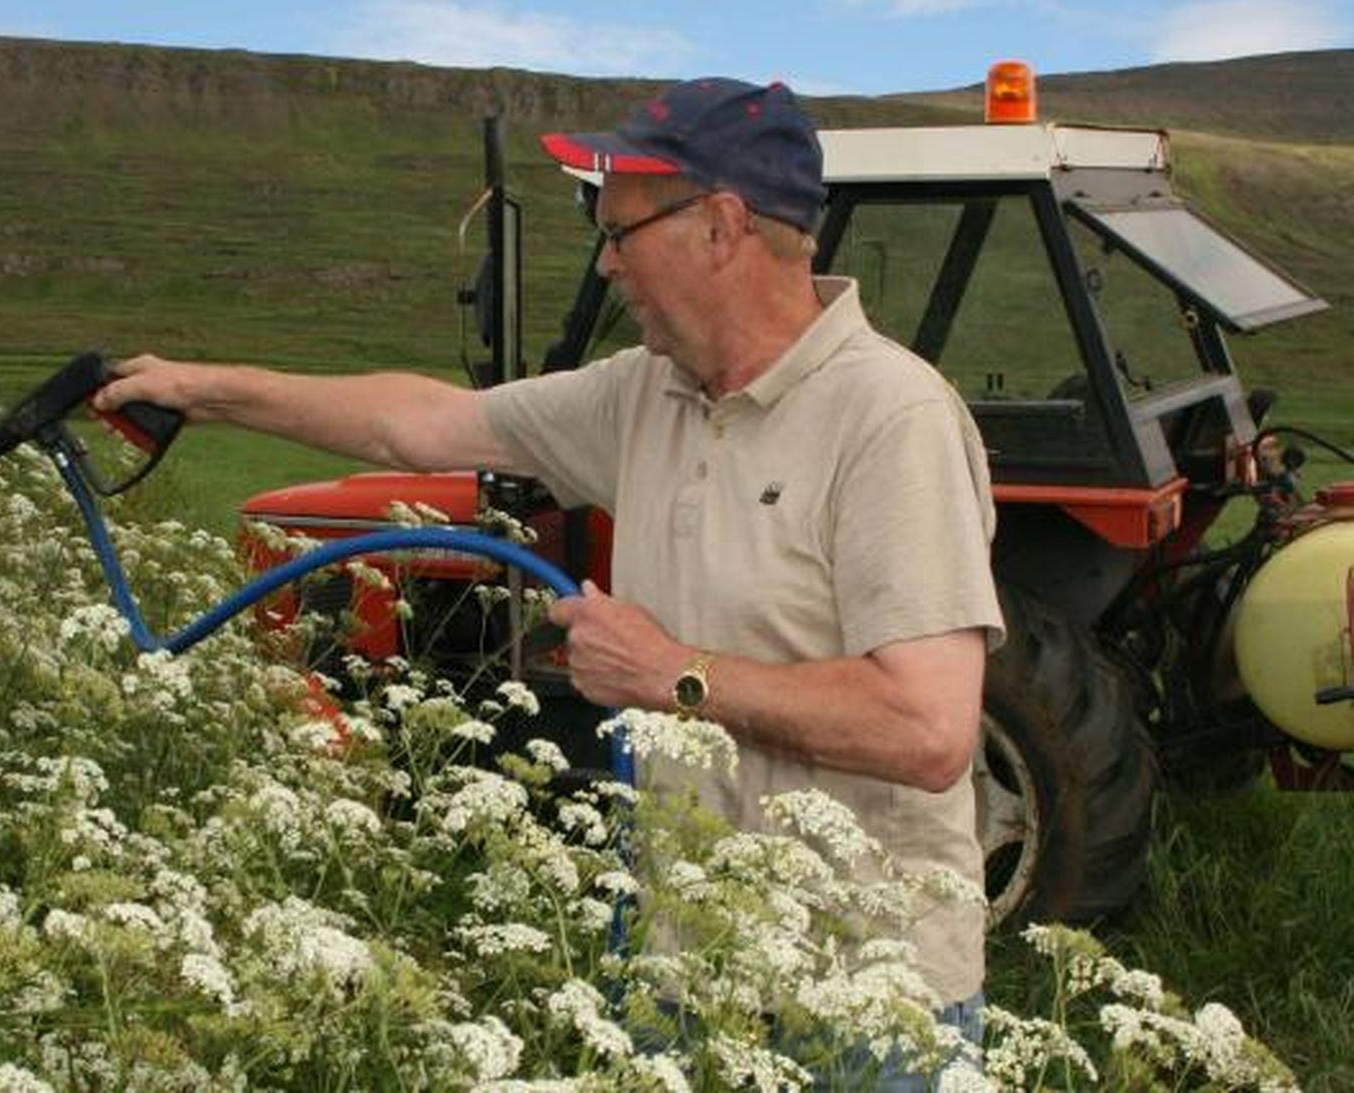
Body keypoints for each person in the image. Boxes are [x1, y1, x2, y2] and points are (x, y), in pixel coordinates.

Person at [96, 77, 1003, 1086]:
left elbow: (926, 731)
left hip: (856, 1010)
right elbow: (417, 422)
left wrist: (671, 674)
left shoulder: (890, 418)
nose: (607, 262)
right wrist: (197, 389)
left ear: (722, 226)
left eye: (622, 232)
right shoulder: (645, 393)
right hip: (687, 973)